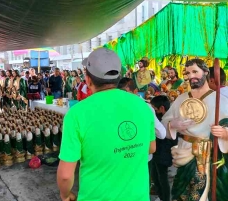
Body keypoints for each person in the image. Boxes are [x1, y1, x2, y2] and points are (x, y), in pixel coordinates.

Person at [57, 48, 156, 201]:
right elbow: (151, 147)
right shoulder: (142, 105)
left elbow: (65, 176)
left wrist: (65, 195)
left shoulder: (77, 114)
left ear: (88, 79)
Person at [161, 59, 228, 201]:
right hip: (184, 151)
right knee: (181, 192)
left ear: (205, 72)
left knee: (203, 195)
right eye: (188, 73)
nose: (191, 76)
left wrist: (224, 133)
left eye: (195, 72)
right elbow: (164, 123)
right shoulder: (181, 98)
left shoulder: (220, 99)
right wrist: (172, 125)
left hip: (207, 154)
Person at [150, 95, 177, 201]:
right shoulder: (163, 118)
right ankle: (161, 197)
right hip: (158, 153)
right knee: (156, 176)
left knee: (162, 178)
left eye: (154, 109)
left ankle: (164, 198)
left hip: (163, 154)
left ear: (161, 108)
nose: (153, 111)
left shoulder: (168, 120)